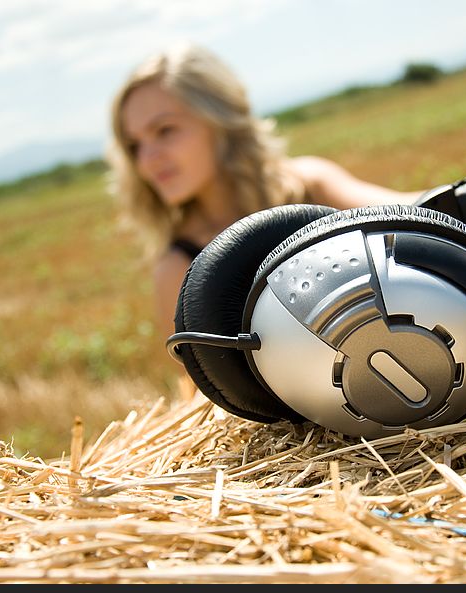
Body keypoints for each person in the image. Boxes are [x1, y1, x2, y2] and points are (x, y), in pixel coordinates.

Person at [106, 42, 423, 397]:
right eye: (134, 145)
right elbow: (202, 398)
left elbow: (423, 219)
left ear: (219, 119)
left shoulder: (310, 184)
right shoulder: (179, 268)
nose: (147, 159)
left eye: (164, 130)